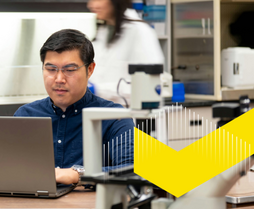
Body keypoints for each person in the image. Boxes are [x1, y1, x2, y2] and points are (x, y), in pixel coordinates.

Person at [14, 29, 134, 185]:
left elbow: (131, 171)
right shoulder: (26, 116)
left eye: (69, 70)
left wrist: (78, 174)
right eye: (51, 69)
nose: (59, 79)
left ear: (89, 69)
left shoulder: (114, 118)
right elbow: (10, 170)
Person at [87, 0, 164, 106]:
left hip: (130, 117)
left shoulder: (140, 32)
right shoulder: (103, 31)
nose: (91, 5)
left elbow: (151, 87)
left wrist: (98, 90)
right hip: (102, 114)